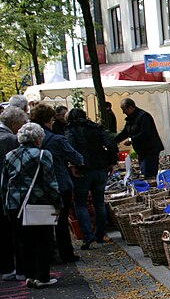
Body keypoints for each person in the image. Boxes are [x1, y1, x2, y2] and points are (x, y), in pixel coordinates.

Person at [0, 122, 63, 288]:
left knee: (23, 241)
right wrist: (57, 202)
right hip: (39, 203)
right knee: (44, 240)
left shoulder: (9, 156)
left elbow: (4, 184)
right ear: (38, 138)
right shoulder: (43, 155)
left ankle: (28, 275)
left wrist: (6, 206)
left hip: (15, 205)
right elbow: (50, 182)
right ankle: (42, 277)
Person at [30, 104, 83, 263]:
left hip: (38, 186)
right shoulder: (56, 139)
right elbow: (77, 158)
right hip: (60, 183)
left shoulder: (28, 138)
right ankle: (66, 253)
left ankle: (48, 253)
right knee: (61, 220)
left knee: (43, 222)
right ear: (49, 120)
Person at [66, 108, 117, 250]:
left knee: (81, 203)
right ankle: (99, 233)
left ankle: (87, 235)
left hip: (82, 169)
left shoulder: (71, 130)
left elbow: (70, 148)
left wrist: (73, 165)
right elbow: (111, 144)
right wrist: (112, 162)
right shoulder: (96, 127)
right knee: (99, 203)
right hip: (100, 167)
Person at [0, 106, 27, 281]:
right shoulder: (10, 140)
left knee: (3, 231)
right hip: (9, 191)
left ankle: (6, 267)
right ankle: (19, 269)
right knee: (15, 231)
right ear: (15, 123)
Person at [115, 98, 164, 178]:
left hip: (150, 150)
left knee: (148, 174)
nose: (123, 112)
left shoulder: (144, 116)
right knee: (144, 172)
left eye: (124, 109)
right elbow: (125, 133)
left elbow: (145, 133)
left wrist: (131, 140)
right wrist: (113, 141)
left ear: (131, 107)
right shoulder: (130, 119)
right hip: (141, 151)